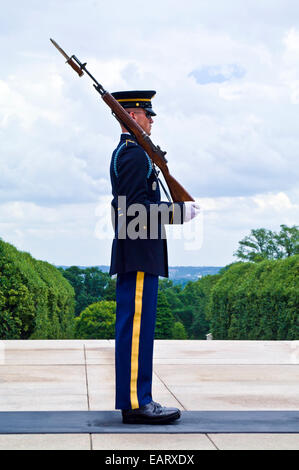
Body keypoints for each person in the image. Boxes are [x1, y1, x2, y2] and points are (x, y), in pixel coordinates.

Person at [109, 90, 200, 424]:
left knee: (140, 330)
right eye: (147, 115)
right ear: (132, 117)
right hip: (138, 252)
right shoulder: (133, 156)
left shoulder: (135, 153)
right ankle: (136, 403)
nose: (151, 120)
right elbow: (131, 211)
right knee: (135, 331)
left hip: (140, 251)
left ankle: (140, 398)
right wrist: (175, 213)